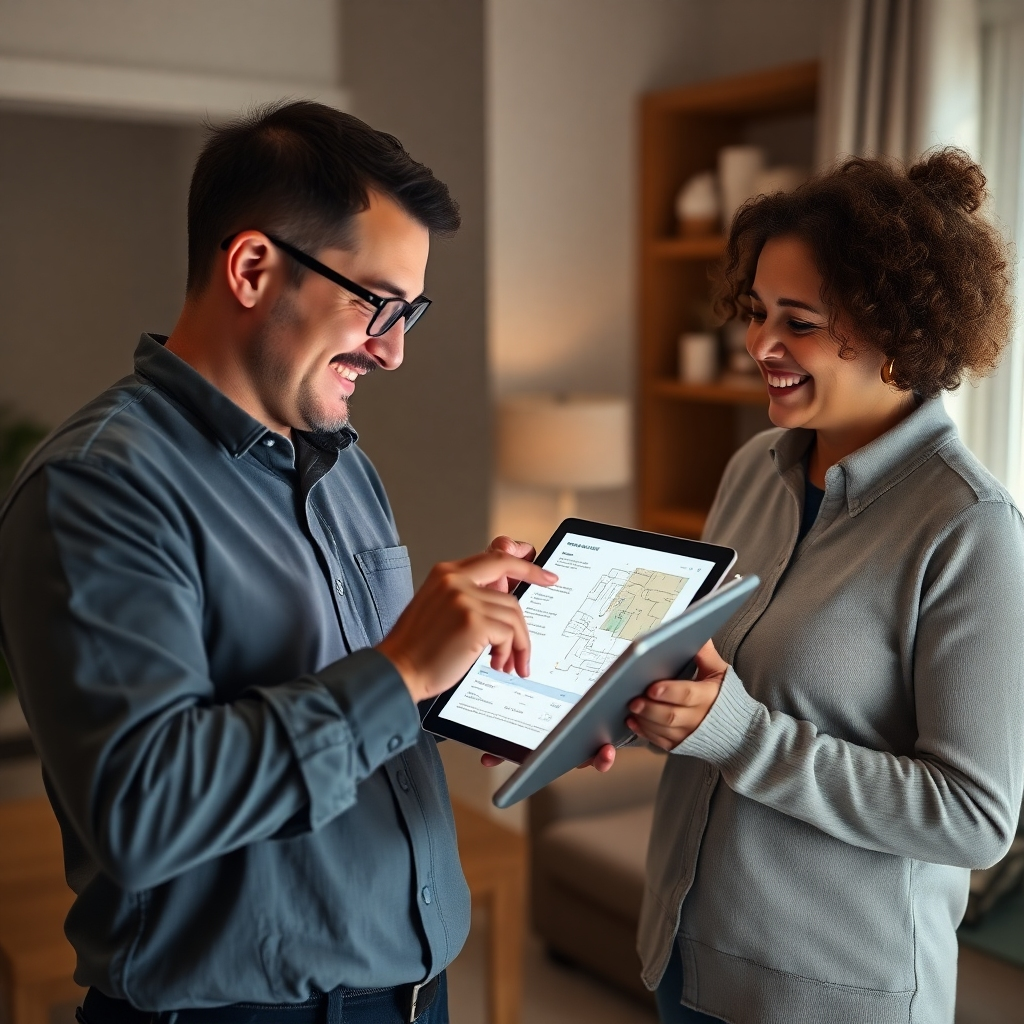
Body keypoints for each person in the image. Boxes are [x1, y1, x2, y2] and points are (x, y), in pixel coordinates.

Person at [0, 101, 555, 1024]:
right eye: (377, 303)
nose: (394, 349)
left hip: (413, 999)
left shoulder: (342, 464)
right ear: (254, 267)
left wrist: (489, 692)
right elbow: (146, 809)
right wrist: (403, 665)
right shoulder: (96, 488)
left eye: (412, 311)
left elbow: (357, 699)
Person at [623, 149, 1024, 1023]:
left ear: (898, 330)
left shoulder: (969, 527)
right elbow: (716, 679)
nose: (760, 345)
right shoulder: (753, 471)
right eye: (758, 312)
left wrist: (739, 734)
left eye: (797, 323)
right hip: (685, 960)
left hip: (831, 997)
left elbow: (974, 816)